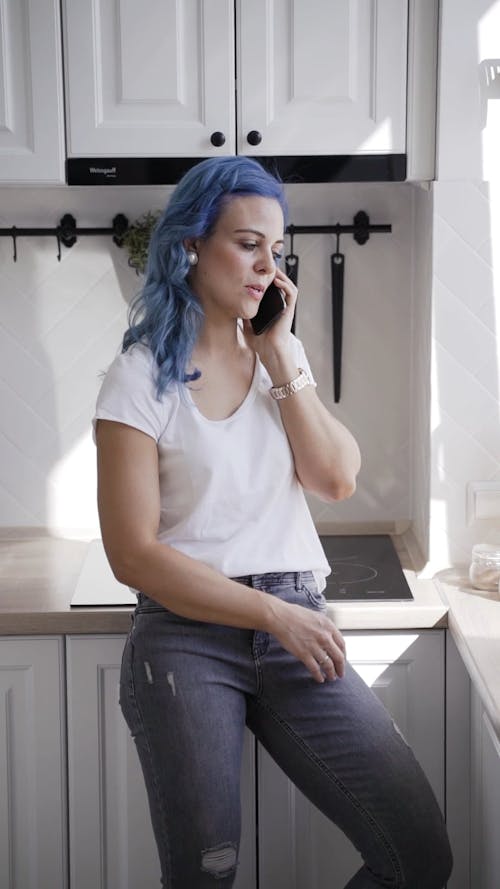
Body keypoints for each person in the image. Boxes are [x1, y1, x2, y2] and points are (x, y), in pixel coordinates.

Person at [94, 156, 452, 889]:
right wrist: (273, 614)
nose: (266, 264)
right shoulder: (137, 377)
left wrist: (282, 353)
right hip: (186, 637)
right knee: (207, 876)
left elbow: (336, 477)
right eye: (247, 242)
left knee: (418, 853)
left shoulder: (275, 359)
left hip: (295, 628)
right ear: (192, 242)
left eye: (277, 249)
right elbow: (132, 554)